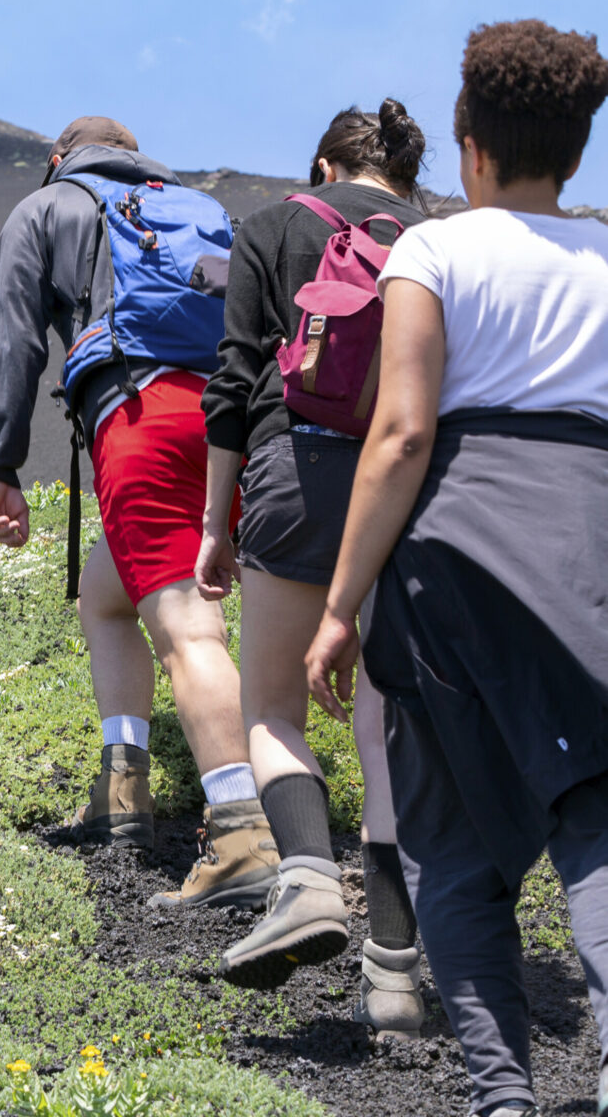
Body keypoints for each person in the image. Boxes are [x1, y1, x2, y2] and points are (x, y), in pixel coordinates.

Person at [306, 21, 608, 1117]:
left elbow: (400, 435)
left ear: (469, 142)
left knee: (454, 844)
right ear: (576, 152)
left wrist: (340, 608)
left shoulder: (430, 251)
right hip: (591, 544)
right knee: (596, 813)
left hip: (456, 553)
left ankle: (503, 1097)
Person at [0, 116, 277, 909]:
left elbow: (16, 340)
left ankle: (244, 833)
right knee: (108, 596)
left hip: (139, 416)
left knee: (188, 629)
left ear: (58, 156)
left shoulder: (47, 208)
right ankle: (123, 792)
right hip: (224, 422)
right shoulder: (189, 204)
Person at [194, 102, 428, 1027]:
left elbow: (234, 376)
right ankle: (397, 978)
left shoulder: (271, 225)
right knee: (388, 736)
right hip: (408, 489)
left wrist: (219, 520)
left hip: (293, 469)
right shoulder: (435, 240)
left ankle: (308, 879)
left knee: (276, 710)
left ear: (325, 167)